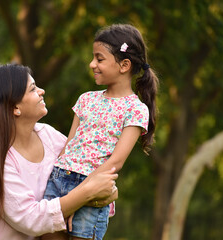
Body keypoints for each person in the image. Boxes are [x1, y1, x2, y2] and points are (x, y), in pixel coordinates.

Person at [0, 63, 118, 240]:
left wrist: (106, 193)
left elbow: (84, 172)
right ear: (15, 108)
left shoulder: (49, 136)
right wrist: (86, 193)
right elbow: (31, 218)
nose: (42, 91)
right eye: (33, 89)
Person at [43, 23, 159, 240]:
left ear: (124, 65)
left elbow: (116, 163)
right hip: (58, 180)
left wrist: (80, 195)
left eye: (99, 59)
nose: (92, 64)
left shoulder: (135, 110)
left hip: (92, 191)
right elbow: (68, 147)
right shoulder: (86, 99)